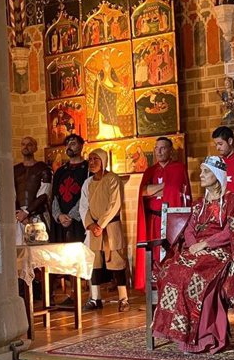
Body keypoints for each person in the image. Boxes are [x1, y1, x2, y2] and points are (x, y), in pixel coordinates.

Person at [151, 156, 234, 353]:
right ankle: (183, 334)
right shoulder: (198, 204)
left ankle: (205, 337)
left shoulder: (232, 200)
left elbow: (233, 230)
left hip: (220, 251)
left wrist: (206, 244)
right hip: (196, 249)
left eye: (205, 171)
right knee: (173, 272)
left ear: (217, 175)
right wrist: (195, 245)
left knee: (194, 274)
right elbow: (189, 230)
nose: (201, 175)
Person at [133, 137, 192, 290]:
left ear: (170, 150)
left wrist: (156, 188)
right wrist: (165, 186)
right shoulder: (150, 171)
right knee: (154, 252)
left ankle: (171, 285)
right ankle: (154, 286)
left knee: (170, 252)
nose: (158, 151)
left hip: (172, 219)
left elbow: (177, 189)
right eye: (156, 148)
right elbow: (144, 192)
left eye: (163, 148)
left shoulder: (179, 168)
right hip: (154, 218)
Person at [79, 149, 129, 312]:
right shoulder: (87, 183)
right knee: (94, 263)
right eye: (90, 159)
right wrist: (91, 224)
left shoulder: (113, 179)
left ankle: (123, 298)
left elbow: (114, 204)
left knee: (116, 261)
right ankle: (95, 298)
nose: (92, 162)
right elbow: (84, 206)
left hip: (110, 227)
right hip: (94, 229)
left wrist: (101, 224)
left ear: (103, 161)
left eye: (96, 159)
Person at [14, 136, 52, 244]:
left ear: (35, 148)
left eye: (29, 144)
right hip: (18, 217)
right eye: (23, 144)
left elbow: (44, 193)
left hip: (37, 215)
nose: (26, 147)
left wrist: (27, 212)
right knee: (19, 253)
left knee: (39, 251)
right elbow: (11, 193)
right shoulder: (15, 170)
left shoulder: (43, 168)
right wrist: (19, 214)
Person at [51, 134, 89, 244]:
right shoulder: (60, 171)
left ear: (81, 146)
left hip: (80, 220)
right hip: (61, 222)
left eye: (73, 144)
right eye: (67, 144)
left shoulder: (88, 169)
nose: (69, 147)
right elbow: (54, 197)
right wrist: (59, 216)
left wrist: (72, 215)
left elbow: (88, 195)